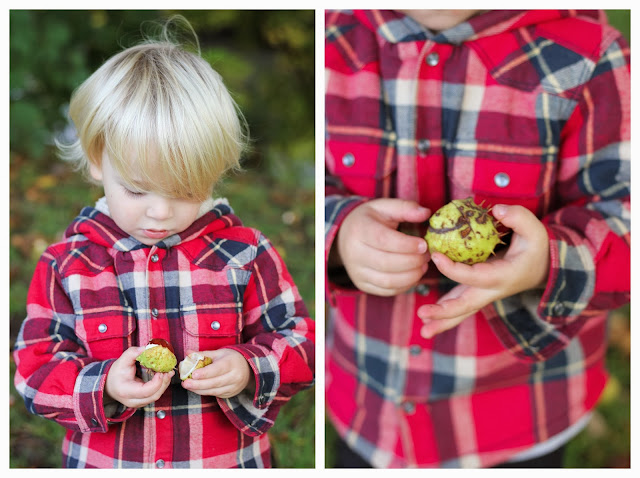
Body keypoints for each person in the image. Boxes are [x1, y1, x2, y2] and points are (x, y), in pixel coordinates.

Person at [325, 9, 629, 468]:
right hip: (370, 397)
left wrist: (547, 262)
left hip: (518, 409)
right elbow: (316, 185)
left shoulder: (589, 57)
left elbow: (623, 215)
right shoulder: (332, 41)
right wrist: (341, 229)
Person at [13, 17, 315, 469]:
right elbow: (33, 371)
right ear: (98, 160)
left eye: (186, 190)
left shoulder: (246, 254)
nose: (160, 212)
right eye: (138, 189)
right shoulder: (67, 265)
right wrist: (104, 384)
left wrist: (249, 366)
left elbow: (302, 344)